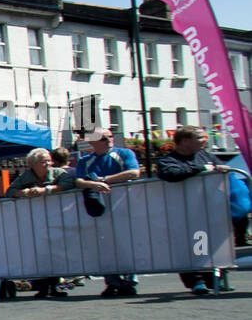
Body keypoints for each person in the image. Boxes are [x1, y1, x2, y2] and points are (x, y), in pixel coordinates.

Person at [4, 148, 110, 298]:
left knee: (59, 251)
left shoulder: (58, 173)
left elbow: (68, 183)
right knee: (42, 253)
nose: (48, 163)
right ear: (33, 164)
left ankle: (56, 284)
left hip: (61, 218)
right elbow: (10, 191)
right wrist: (25, 192)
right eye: (43, 161)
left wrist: (47, 190)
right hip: (38, 222)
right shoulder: (26, 176)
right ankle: (44, 286)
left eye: (49, 160)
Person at [156, 126, 236, 294]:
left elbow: (222, 168)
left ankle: (213, 279)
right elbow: (170, 174)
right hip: (181, 213)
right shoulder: (168, 160)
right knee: (186, 247)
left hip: (207, 211)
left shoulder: (206, 155)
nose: (204, 141)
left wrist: (218, 169)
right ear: (185, 141)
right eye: (200, 138)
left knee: (206, 244)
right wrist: (201, 169)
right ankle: (195, 281)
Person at [75, 129, 142, 296]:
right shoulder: (85, 160)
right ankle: (112, 281)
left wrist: (103, 181)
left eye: (110, 136)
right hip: (100, 209)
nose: (108, 140)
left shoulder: (124, 153)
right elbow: (79, 180)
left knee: (126, 242)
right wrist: (92, 185)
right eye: (103, 138)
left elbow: (134, 172)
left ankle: (129, 280)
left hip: (123, 206)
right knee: (104, 244)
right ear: (92, 142)